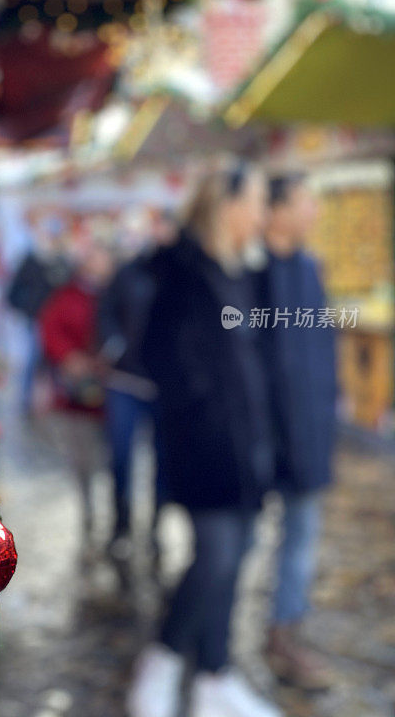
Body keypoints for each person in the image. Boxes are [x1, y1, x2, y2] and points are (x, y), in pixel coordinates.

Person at [127, 161, 282, 717]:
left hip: (246, 448)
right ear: (228, 205)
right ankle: (163, 662)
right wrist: (209, 418)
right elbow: (165, 360)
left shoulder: (237, 271)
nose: (264, 213)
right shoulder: (185, 274)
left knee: (236, 556)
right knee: (214, 558)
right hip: (206, 450)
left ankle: (215, 676)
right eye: (258, 201)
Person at [256, 174, 337, 691]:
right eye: (307, 200)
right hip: (263, 433)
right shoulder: (252, 270)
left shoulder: (309, 268)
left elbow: (319, 350)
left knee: (302, 536)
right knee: (235, 543)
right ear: (278, 209)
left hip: (309, 428)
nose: (314, 210)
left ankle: (285, 634)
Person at [97, 210, 177, 555]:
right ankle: (121, 525)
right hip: (125, 381)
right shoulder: (129, 271)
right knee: (121, 457)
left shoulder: (182, 276)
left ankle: (157, 524)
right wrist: (115, 345)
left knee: (164, 458)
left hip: (166, 384)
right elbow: (106, 311)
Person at [39, 242, 114, 542]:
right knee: (82, 457)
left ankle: (113, 510)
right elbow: (50, 329)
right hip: (75, 395)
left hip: (112, 391)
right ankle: (89, 510)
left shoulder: (114, 293)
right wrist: (69, 358)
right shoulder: (66, 296)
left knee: (110, 456)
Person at [7, 223, 71, 415]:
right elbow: (14, 291)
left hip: (58, 322)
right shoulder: (32, 260)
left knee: (55, 362)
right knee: (33, 359)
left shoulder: (63, 262)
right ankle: (27, 401)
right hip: (36, 319)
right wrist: (28, 307)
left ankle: (56, 402)